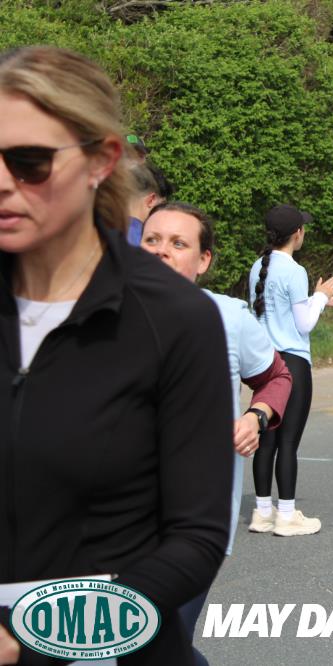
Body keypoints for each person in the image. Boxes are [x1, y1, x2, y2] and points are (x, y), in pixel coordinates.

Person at [0, 45, 232, 663]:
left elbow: (195, 538)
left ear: (101, 160)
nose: (2, 181)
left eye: (29, 162)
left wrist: (31, 640)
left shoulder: (174, 317)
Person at [141, 202, 293, 664]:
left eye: (178, 243)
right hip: (113, 524)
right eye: (151, 240)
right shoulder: (102, 317)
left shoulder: (228, 318)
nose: (162, 251)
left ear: (203, 260)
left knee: (160, 645)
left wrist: (256, 417)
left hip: (192, 526)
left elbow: (276, 377)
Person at [249, 204, 333, 536]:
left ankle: (263, 512)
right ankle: (287, 515)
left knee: (267, 440)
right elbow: (303, 325)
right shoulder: (295, 270)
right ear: (297, 234)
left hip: (265, 363)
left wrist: (319, 301)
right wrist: (319, 296)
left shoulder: (258, 266)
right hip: (292, 362)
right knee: (288, 442)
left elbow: (276, 313)